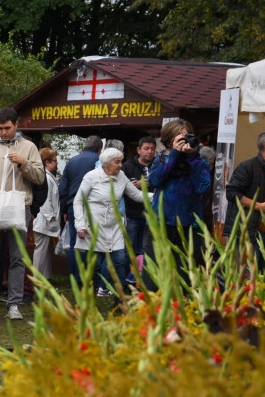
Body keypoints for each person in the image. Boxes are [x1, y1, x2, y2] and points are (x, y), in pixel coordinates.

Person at [0, 107, 45, 320]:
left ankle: (14, 304)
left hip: (19, 208)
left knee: (17, 258)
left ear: (16, 125)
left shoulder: (29, 147)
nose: (3, 132)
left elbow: (40, 178)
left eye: (7, 128)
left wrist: (23, 163)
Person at [74, 148, 144, 296]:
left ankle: (120, 298)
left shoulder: (121, 176)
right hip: (94, 225)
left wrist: (158, 197)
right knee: (96, 264)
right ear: (106, 163)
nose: (120, 165)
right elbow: (78, 201)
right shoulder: (91, 176)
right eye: (117, 162)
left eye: (121, 161)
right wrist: (80, 225)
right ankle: (93, 294)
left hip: (114, 225)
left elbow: (137, 195)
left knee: (120, 260)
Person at [147, 119, 211, 281]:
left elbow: (203, 187)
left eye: (187, 136)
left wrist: (192, 157)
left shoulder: (199, 162)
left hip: (189, 225)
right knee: (156, 274)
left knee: (186, 276)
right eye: (180, 138)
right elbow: (154, 181)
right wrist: (174, 155)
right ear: (169, 141)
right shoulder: (161, 159)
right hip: (161, 223)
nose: (184, 141)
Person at [225, 131, 265, 270]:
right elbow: (231, 192)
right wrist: (259, 206)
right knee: (249, 275)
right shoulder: (248, 166)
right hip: (251, 233)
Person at [58, 135, 103, 285]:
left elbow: (63, 188)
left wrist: (64, 210)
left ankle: (76, 280)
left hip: (72, 206)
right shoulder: (99, 162)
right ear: (100, 149)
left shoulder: (72, 161)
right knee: (95, 243)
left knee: (75, 244)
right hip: (94, 207)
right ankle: (93, 278)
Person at [120, 136, 157, 265]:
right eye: (146, 148)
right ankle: (128, 274)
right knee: (129, 249)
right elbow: (119, 187)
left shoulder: (158, 166)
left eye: (152, 149)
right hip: (133, 214)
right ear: (138, 150)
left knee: (148, 249)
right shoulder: (127, 166)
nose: (150, 152)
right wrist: (135, 185)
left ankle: (144, 274)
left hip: (153, 214)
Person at [31, 148, 60, 280]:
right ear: (47, 162)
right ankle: (36, 279)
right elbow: (45, 199)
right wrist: (50, 216)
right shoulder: (46, 178)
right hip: (44, 219)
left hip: (47, 219)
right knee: (41, 250)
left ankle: (46, 277)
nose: (57, 163)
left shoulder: (49, 176)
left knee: (46, 249)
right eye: (54, 160)